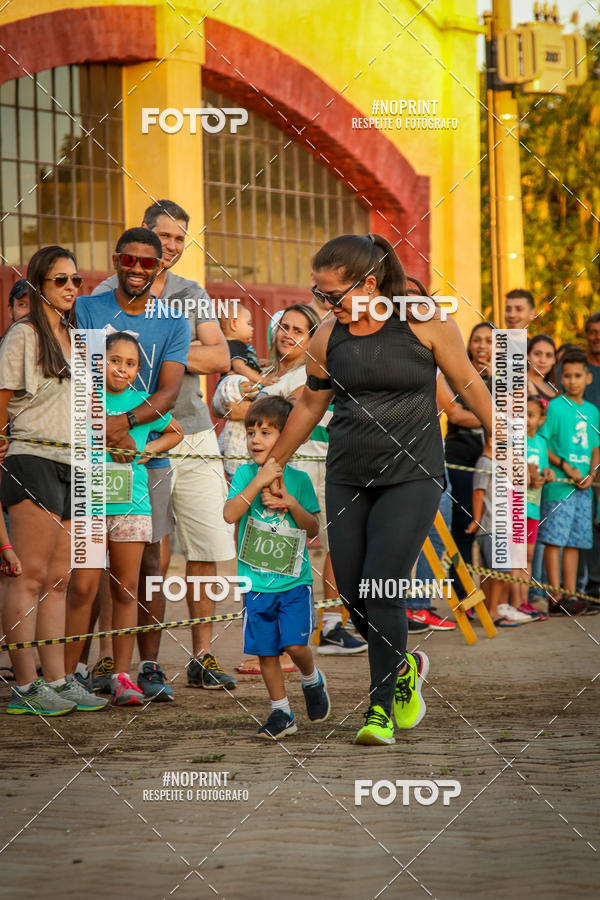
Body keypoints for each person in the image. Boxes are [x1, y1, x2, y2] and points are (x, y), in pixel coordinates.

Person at [266, 233, 493, 746]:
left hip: (412, 475)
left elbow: (469, 385)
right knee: (351, 589)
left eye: (332, 295)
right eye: (319, 294)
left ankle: (380, 710)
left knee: (383, 583)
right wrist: (272, 463)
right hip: (349, 474)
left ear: (368, 284)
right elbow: (308, 405)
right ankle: (405, 663)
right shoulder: (329, 336)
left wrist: (498, 431)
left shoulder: (425, 321)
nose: (325, 305)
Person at [93, 200, 237, 692]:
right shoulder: (101, 294)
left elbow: (220, 354)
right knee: (131, 550)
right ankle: (109, 661)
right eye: (164, 238)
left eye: (179, 240)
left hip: (189, 429)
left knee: (204, 546)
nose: (172, 247)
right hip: (120, 437)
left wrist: (167, 348)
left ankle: (202, 655)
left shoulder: (190, 294)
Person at [76, 226, 191, 700]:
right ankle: (76, 671)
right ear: (116, 260)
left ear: (160, 267)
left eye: (150, 262)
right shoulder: (85, 308)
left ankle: (146, 668)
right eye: (131, 261)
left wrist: (123, 424)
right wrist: (99, 427)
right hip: (86, 459)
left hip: (142, 460)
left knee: (148, 565)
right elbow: (68, 372)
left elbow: (168, 393)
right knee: (82, 568)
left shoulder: (174, 321)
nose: (140, 269)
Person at [0, 246, 105, 715]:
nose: (70, 288)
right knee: (30, 575)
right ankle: (25, 686)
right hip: (32, 459)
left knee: (60, 579)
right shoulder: (23, 335)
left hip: (76, 464)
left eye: (76, 280)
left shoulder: (79, 339)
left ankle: (57, 679)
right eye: (60, 280)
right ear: (39, 283)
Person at [65, 333, 183, 706]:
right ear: (99, 364)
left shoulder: (141, 404)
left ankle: (121, 675)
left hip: (132, 508)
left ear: (138, 370)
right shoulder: (85, 400)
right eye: (114, 360)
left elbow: (175, 432)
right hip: (89, 505)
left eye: (131, 364)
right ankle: (69, 676)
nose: (122, 369)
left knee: (125, 590)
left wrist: (147, 451)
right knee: (83, 588)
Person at [260, 304, 366, 655]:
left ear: (313, 337)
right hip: (289, 467)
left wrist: (262, 398)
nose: (287, 334)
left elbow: (287, 411)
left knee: (338, 543)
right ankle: (278, 631)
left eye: (298, 329)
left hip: (324, 463)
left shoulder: (313, 371)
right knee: (285, 545)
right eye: (283, 326)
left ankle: (332, 625)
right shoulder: (269, 375)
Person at [223, 396, 331, 739]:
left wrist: (291, 504)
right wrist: (258, 482)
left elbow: (312, 528)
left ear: (287, 438)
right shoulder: (243, 474)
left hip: (293, 583)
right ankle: (281, 712)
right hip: (255, 583)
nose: (255, 439)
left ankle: (312, 679)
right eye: (251, 432)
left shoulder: (299, 480)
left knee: (296, 646)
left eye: (266, 432)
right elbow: (229, 514)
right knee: (266, 651)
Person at [538, 349, 600, 616]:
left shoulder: (592, 410)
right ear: (560, 378)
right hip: (560, 486)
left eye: (578, 375)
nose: (572, 381)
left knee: (575, 541)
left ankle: (571, 595)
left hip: (584, 489)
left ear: (589, 378)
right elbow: (542, 442)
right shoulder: (555, 407)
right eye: (567, 376)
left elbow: (596, 445)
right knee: (555, 540)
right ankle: (555, 596)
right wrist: (566, 467)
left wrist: (592, 473)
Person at [439, 321, 492, 570]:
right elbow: (456, 415)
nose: (482, 346)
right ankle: (462, 594)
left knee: (494, 528)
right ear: (468, 344)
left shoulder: (502, 380)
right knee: (463, 525)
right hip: (460, 458)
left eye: (490, 341)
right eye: (477, 339)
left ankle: (494, 600)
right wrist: (497, 416)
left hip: (493, 461)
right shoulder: (454, 372)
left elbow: (521, 418)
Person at [513, 396, 554, 619]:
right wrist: (527, 473)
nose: (525, 420)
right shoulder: (515, 440)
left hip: (533, 507)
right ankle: (515, 602)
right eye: (521, 415)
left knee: (528, 554)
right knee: (517, 555)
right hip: (517, 506)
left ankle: (524, 600)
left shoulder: (541, 442)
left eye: (530, 415)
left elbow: (545, 470)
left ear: (541, 420)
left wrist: (547, 474)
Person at [219, 303, 277, 387]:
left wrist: (257, 363)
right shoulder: (235, 344)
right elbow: (239, 367)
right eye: (248, 324)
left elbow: (245, 363)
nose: (252, 328)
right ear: (234, 324)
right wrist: (262, 380)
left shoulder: (233, 346)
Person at [527, 334, 560, 402]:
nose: (542, 360)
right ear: (528, 356)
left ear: (554, 360)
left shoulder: (553, 387)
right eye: (537, 354)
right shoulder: (518, 383)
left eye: (548, 355)